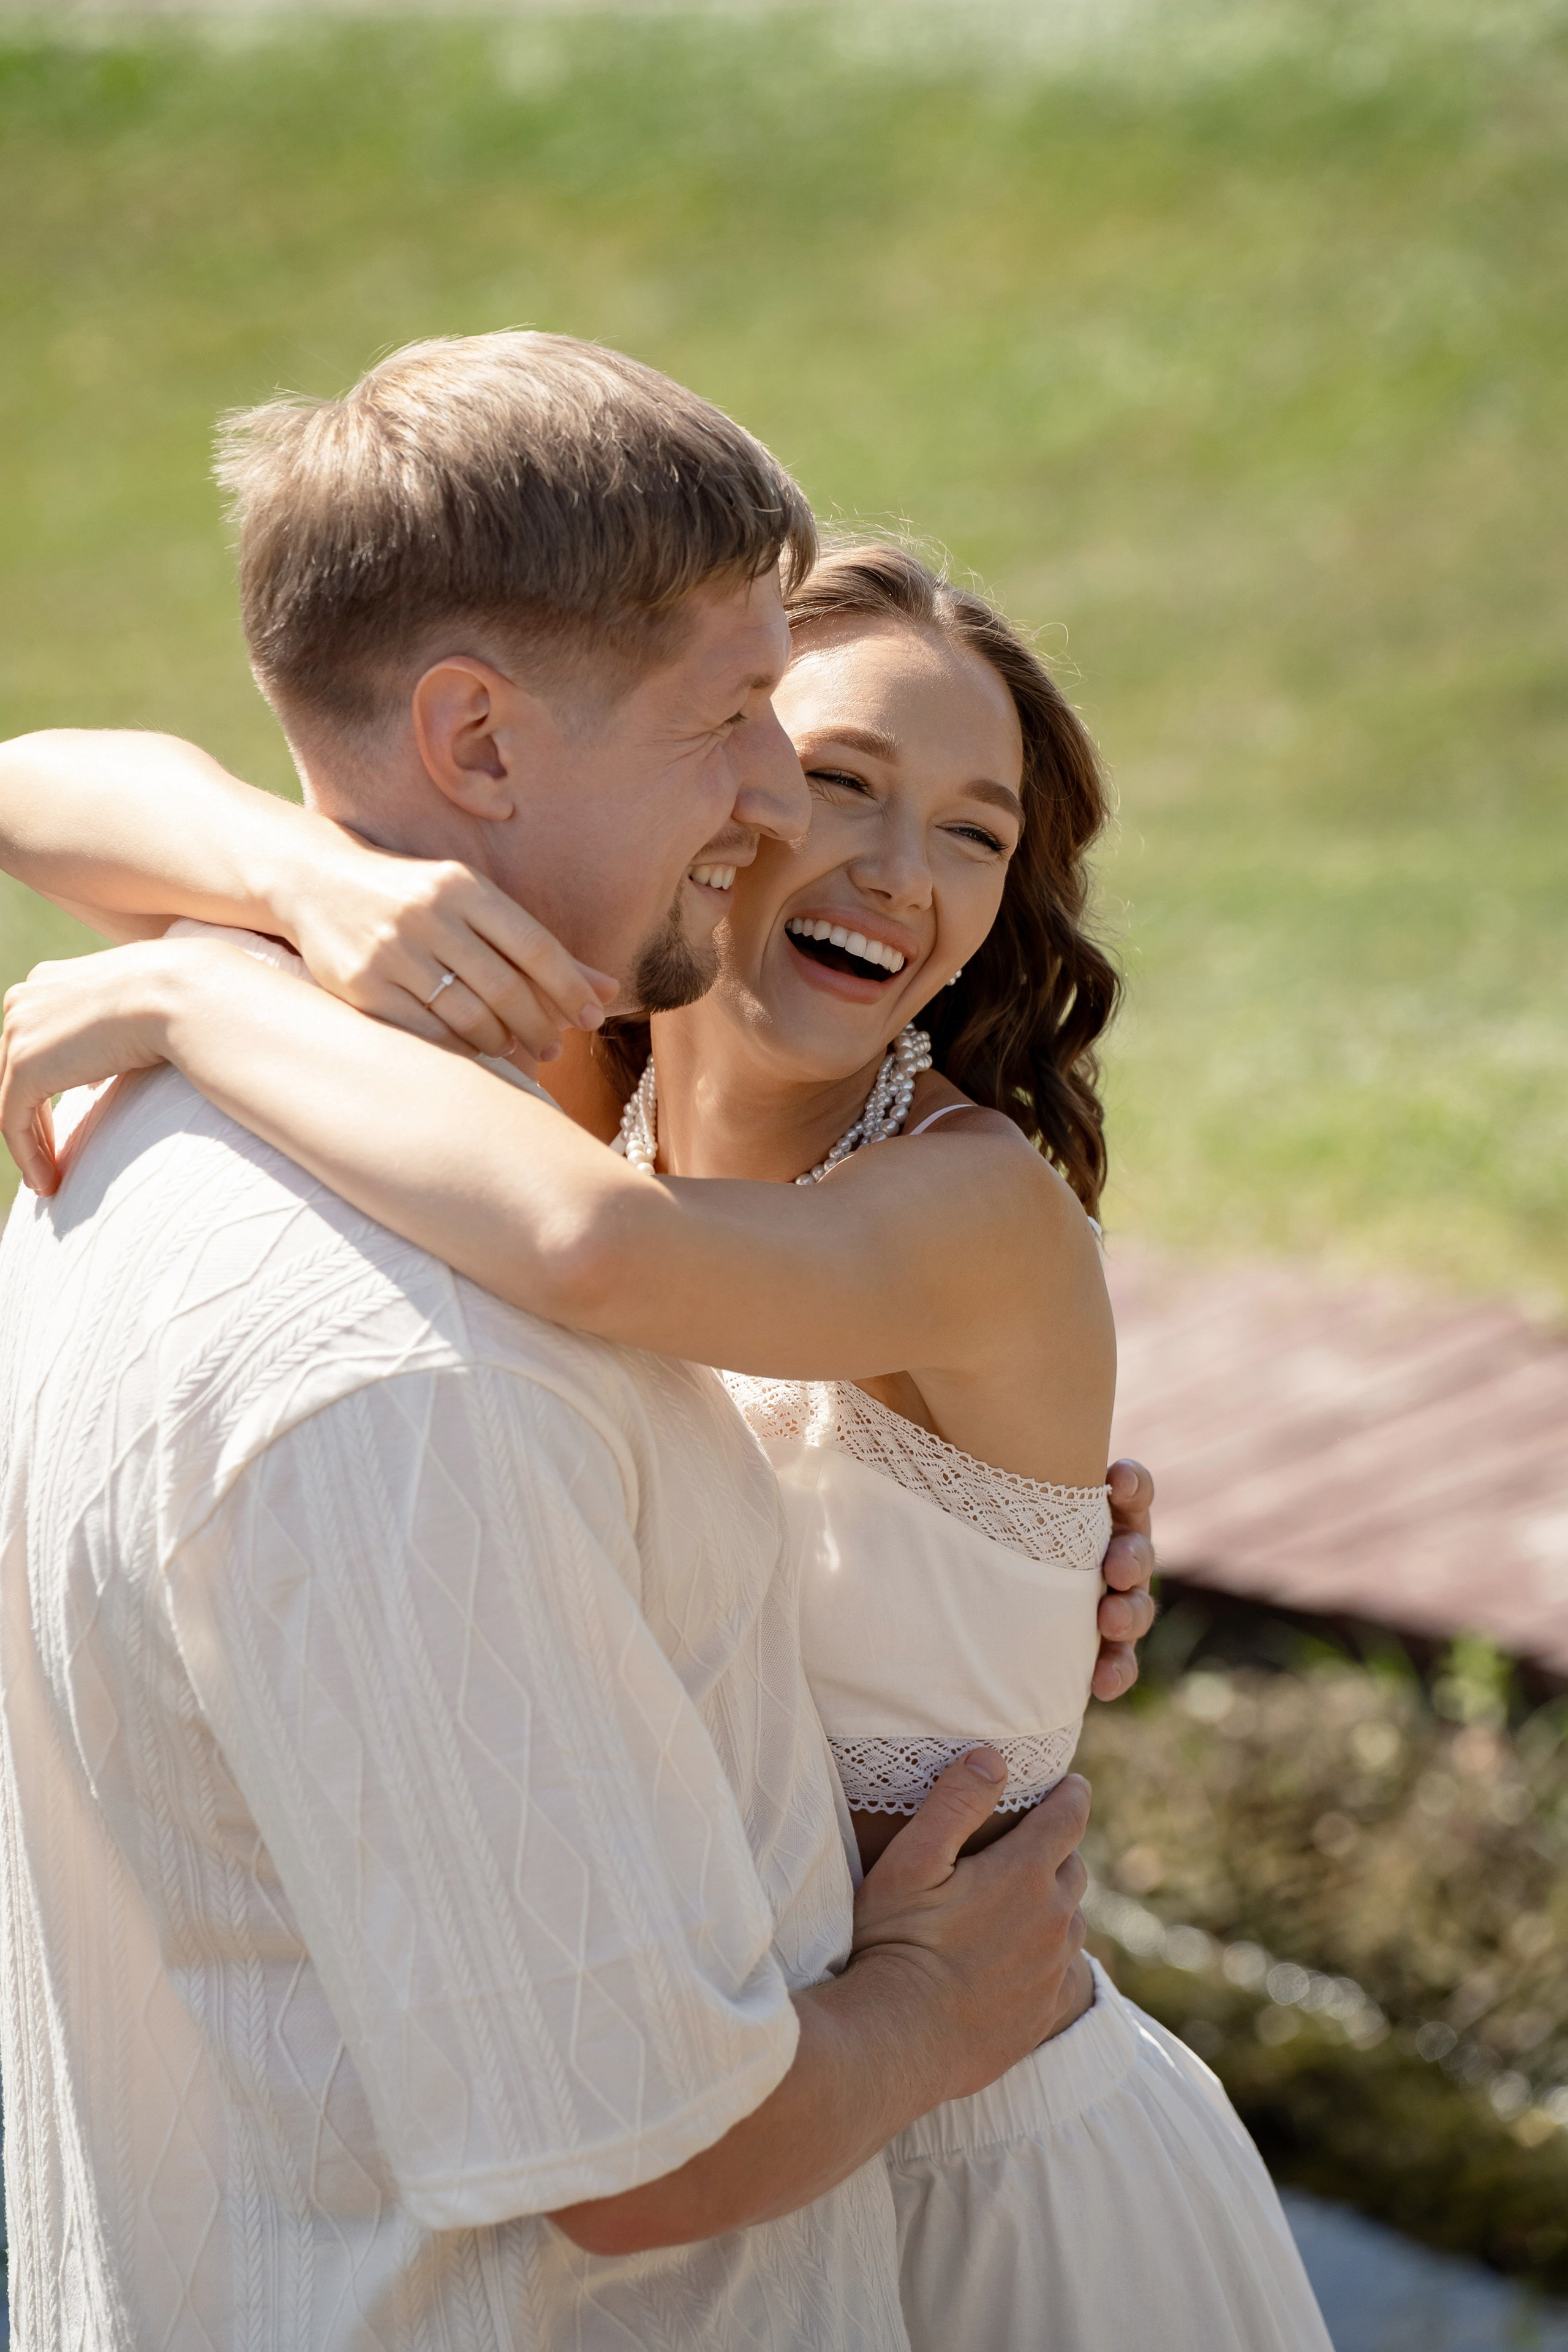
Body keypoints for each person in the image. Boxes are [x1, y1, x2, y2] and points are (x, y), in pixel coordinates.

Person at [0, 526, 1328, 2346]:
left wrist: (197, 990)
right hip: (749, 2158)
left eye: (974, 831)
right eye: (841, 780)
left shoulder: (975, 1216)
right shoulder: (574, 1083)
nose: (899, 872)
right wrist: (306, 881)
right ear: (733, 780)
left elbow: (594, 1255)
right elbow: (37, 784)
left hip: (986, 2179)